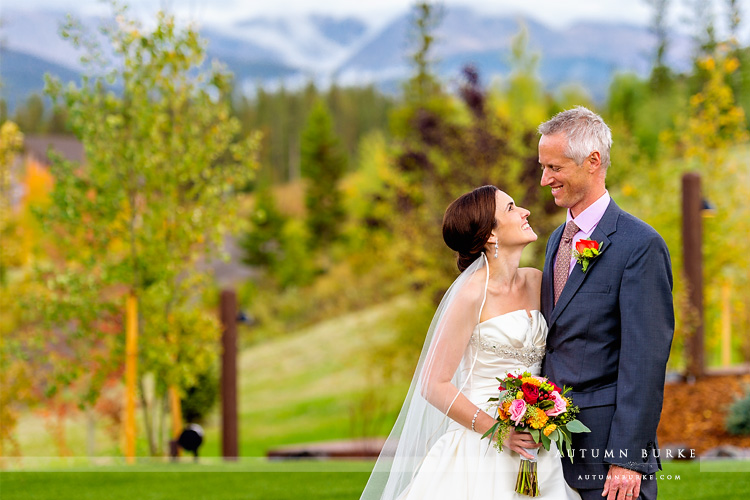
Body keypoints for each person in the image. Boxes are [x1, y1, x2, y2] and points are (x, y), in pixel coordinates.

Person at [360, 185, 580, 500]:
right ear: (491, 235)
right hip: (482, 448)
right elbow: (433, 383)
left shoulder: (536, 281)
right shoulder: (470, 295)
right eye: (511, 208)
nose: (524, 212)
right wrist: (498, 432)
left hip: (538, 439)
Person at [537, 106, 674, 500]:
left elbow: (645, 359)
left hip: (609, 460)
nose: (545, 179)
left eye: (555, 168)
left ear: (593, 162)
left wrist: (626, 458)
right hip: (551, 451)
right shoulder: (554, 241)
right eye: (543, 167)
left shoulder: (640, 245)